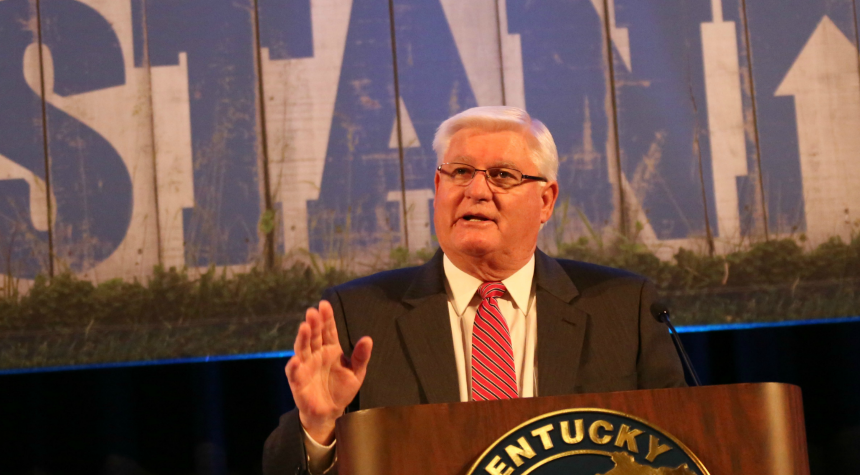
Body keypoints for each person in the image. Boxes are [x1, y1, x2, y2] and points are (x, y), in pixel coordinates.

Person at [263, 106, 685, 475]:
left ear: (546, 201)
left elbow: (679, 447)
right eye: (460, 172)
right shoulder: (361, 314)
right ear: (437, 188)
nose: (476, 191)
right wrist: (318, 428)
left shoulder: (625, 310)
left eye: (503, 175)